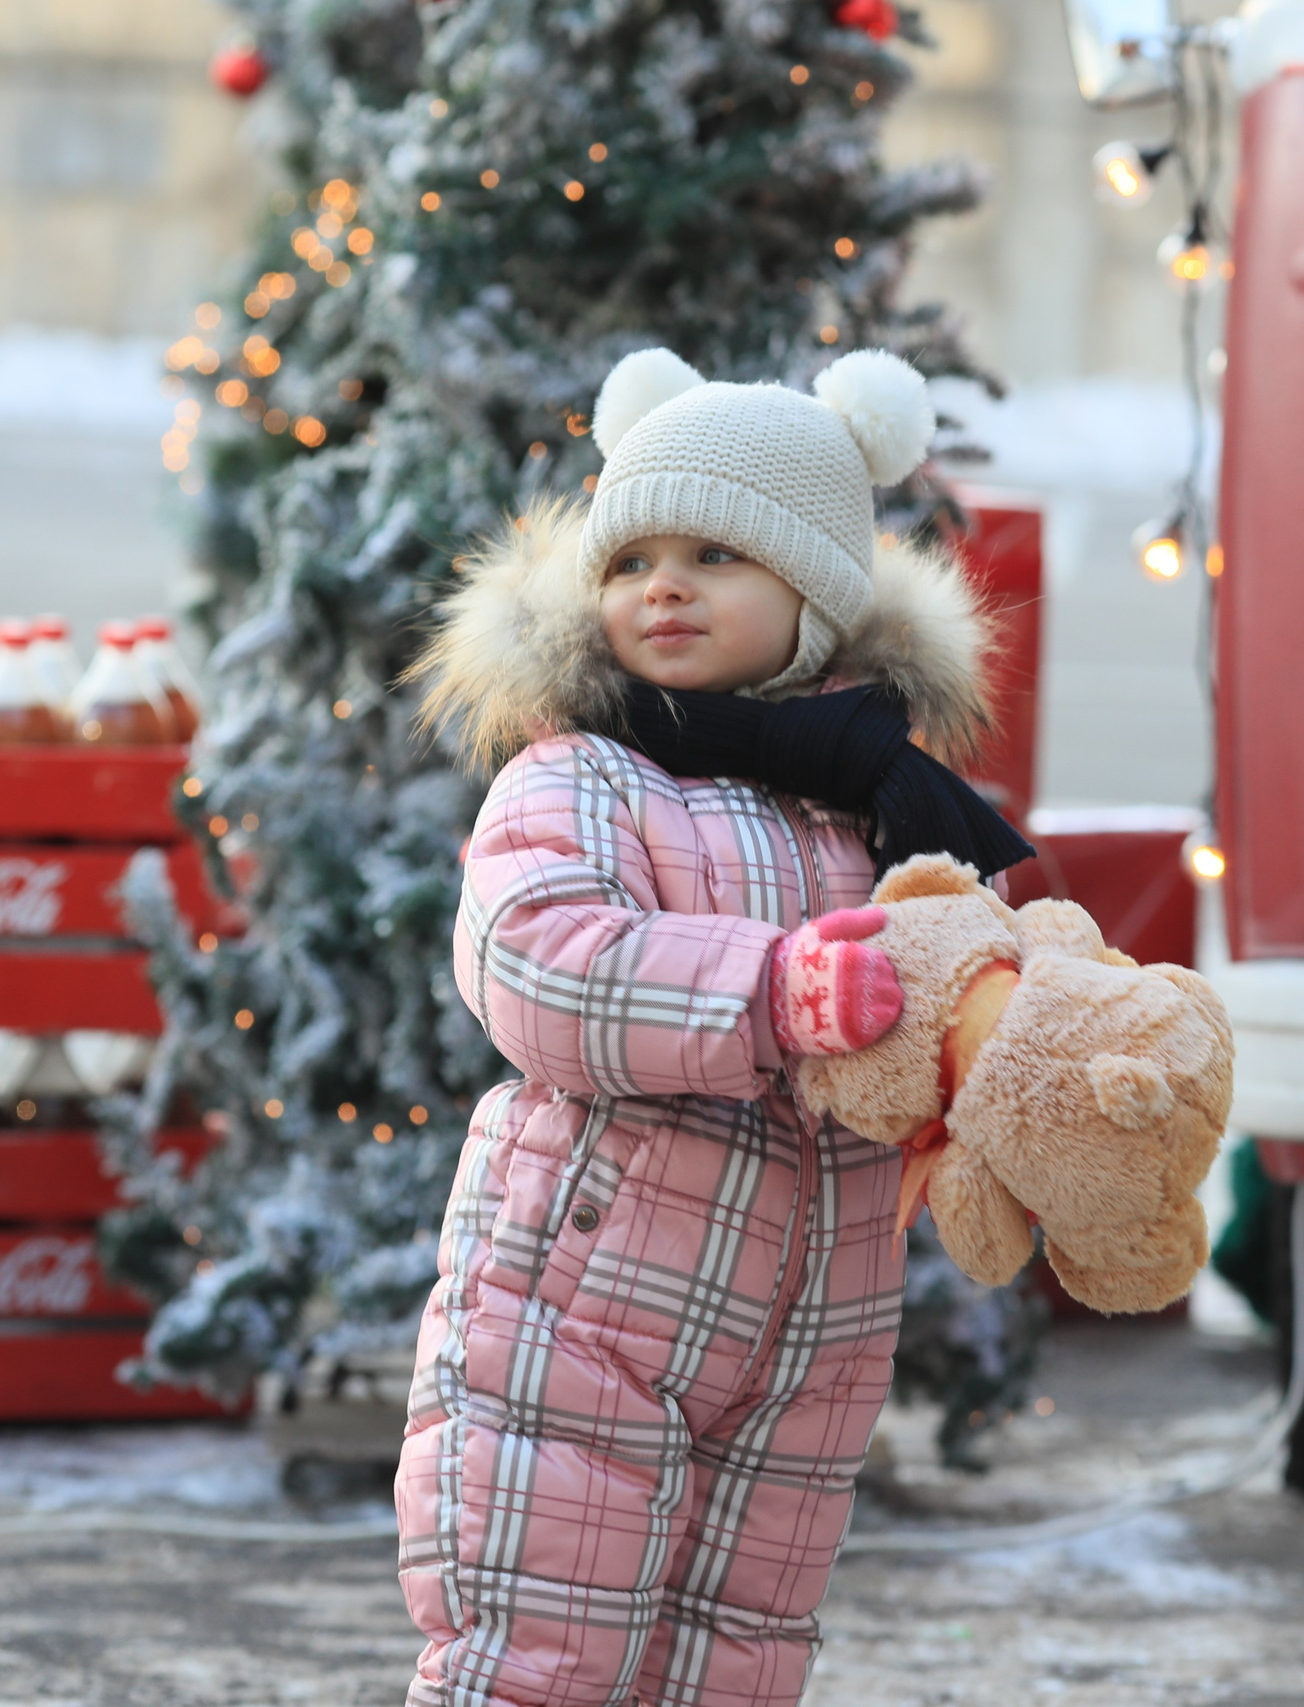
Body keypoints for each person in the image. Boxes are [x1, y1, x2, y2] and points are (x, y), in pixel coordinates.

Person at [395, 346, 1032, 1707]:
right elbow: (541, 962)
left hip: (816, 1325)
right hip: (583, 1315)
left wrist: (1012, 1064)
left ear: (817, 595)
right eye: (630, 561)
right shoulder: (581, 775)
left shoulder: (886, 806)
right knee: (542, 1654)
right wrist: (773, 992)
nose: (661, 585)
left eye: (715, 554)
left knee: (737, 1663)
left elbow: (951, 993)